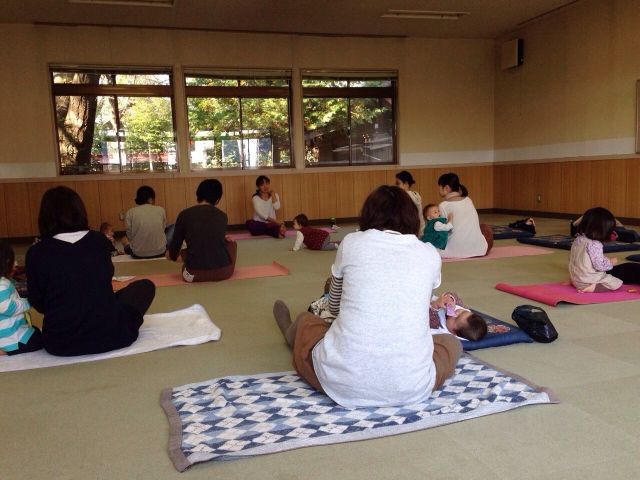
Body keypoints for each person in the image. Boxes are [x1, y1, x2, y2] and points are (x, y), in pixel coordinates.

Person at [272, 185, 462, 408]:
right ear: (413, 218)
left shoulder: (352, 242)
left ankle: (291, 334)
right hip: (411, 388)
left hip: (341, 383)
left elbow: (334, 308)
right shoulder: (429, 252)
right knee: (450, 343)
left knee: (307, 322)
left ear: (368, 214)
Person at [25, 186, 155, 356]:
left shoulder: (36, 253)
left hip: (61, 342)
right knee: (144, 287)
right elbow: (105, 278)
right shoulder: (99, 241)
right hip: (112, 335)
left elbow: (39, 303)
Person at [167, 179, 237, 283]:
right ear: (217, 200)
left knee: (184, 251)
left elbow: (173, 254)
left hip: (192, 275)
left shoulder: (184, 215)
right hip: (224, 273)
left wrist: (171, 255)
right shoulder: (222, 216)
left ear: (198, 195)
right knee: (232, 244)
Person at [569, 207, 640, 293]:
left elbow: (576, 259)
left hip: (575, 278)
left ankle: (577, 282)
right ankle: (592, 288)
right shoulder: (595, 244)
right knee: (616, 283)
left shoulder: (578, 239)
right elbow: (599, 266)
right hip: (587, 281)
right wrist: (610, 262)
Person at [0, 240, 43, 356]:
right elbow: (8, 307)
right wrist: (28, 301)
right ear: (6, 261)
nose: (15, 264)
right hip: (10, 337)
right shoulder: (2, 284)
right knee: (38, 339)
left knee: (35, 330)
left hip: (6, 332)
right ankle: (5, 350)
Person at [437, 173, 493, 258]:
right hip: (478, 250)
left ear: (446, 188)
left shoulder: (443, 206)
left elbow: (443, 231)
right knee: (484, 228)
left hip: (453, 250)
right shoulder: (468, 200)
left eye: (440, 187)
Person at [123, 185, 167, 259]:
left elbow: (129, 235)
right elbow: (163, 228)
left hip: (138, 254)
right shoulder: (161, 210)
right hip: (161, 252)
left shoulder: (130, 212)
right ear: (150, 199)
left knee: (126, 245)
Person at [395, 170, 424, 236]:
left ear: (406, 184)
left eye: (398, 183)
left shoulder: (404, 196)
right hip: (419, 228)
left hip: (409, 229)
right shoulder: (416, 194)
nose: (396, 186)